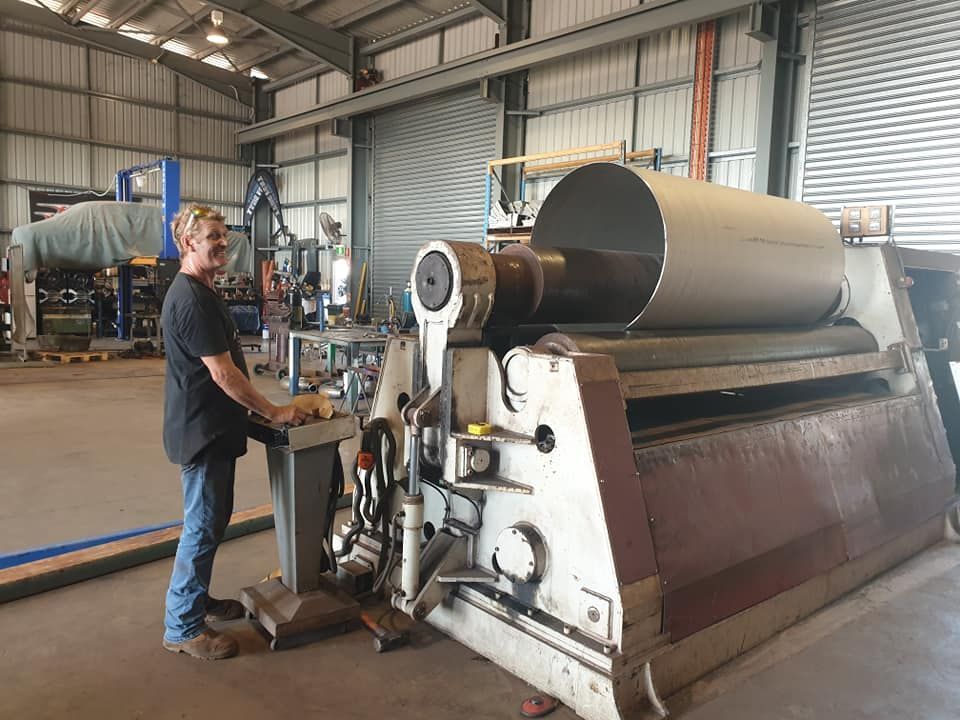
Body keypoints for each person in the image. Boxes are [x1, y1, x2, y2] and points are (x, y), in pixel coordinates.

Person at [160, 204, 309, 660]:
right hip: (202, 431)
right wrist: (272, 411)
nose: (223, 244)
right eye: (213, 237)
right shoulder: (189, 298)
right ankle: (182, 626)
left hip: (213, 426)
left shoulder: (203, 290)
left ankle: (195, 600)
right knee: (202, 526)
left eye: (225, 236)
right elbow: (223, 374)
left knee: (209, 520)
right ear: (188, 243)